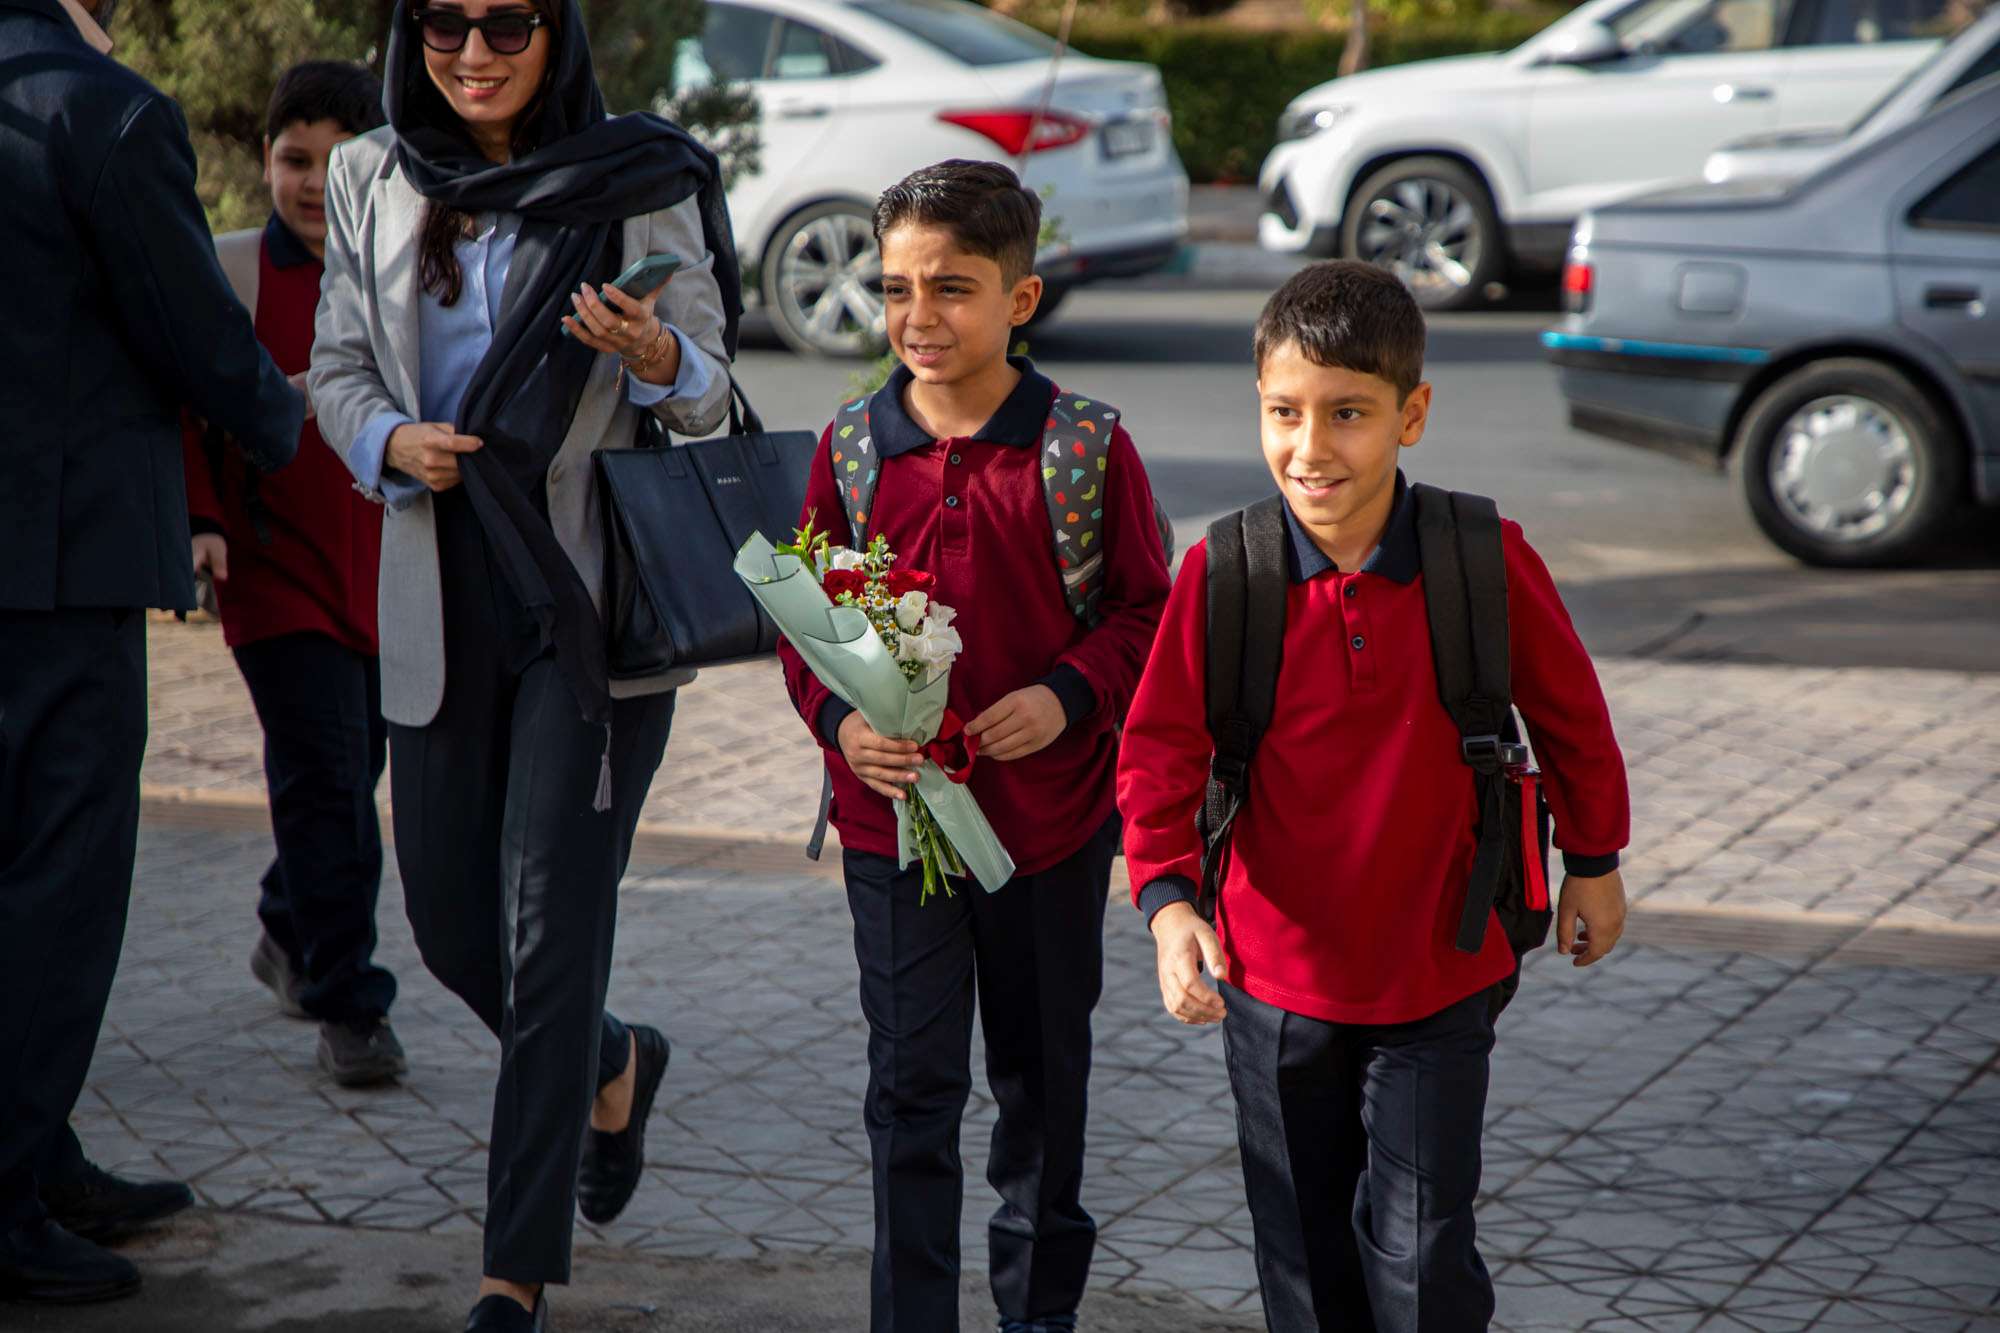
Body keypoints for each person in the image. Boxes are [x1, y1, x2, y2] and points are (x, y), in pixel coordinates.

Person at [309, 0, 734, 1327]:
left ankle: (512, 1275)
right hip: (439, 584)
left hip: (585, 602)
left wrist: (654, 354)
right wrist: (390, 443)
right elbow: (334, 366)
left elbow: (711, 389)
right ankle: (613, 1062)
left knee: (551, 933)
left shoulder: (638, 173)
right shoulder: (372, 173)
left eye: (507, 24)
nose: (475, 53)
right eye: (445, 24)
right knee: (451, 931)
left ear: (557, 34)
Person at [1116, 261, 1632, 1333]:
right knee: (1304, 1258)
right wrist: (1168, 907)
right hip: (1271, 982)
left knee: (1424, 1255)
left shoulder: (1482, 558)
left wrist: (1594, 860)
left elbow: (1572, 717)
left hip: (1439, 970)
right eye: (1283, 412)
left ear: (1412, 414)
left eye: (1346, 413)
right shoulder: (1225, 570)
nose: (1310, 447)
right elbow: (1157, 750)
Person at [779, 160, 1172, 1333]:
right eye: (897, 287)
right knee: (909, 1090)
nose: (918, 316)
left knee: (1040, 1087)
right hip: (891, 831)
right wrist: (842, 725)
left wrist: (1066, 694)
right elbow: (807, 627)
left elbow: (1145, 612)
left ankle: (1035, 1314)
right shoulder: (851, 448)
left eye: (951, 287)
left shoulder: (1082, 449)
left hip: (1048, 832)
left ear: (1020, 298)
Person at [0, 0, 304, 1305]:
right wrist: (287, 419)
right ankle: (7, 1196)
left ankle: (38, 1151)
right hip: (61, 558)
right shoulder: (102, 108)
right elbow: (190, 326)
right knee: (57, 884)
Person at [182, 60, 407, 1089]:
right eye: (293, 159)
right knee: (327, 783)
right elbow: (181, 401)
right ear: (265, 161)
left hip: (388, 581)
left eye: (337, 162)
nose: (313, 182)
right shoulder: (229, 273)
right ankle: (348, 1002)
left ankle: (286, 925)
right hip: (274, 578)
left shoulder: (410, 276)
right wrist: (200, 520)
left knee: (353, 772)